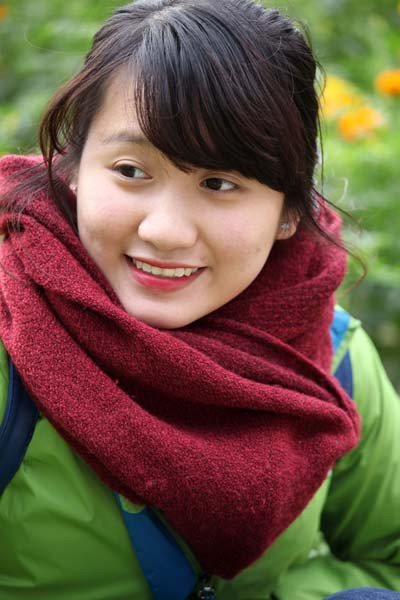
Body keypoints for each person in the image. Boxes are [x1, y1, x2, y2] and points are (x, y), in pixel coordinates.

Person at [0, 1, 399, 598]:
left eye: (219, 183)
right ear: (74, 167)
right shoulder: (12, 331)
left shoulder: (328, 354)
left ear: (289, 211)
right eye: (131, 170)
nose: (165, 231)